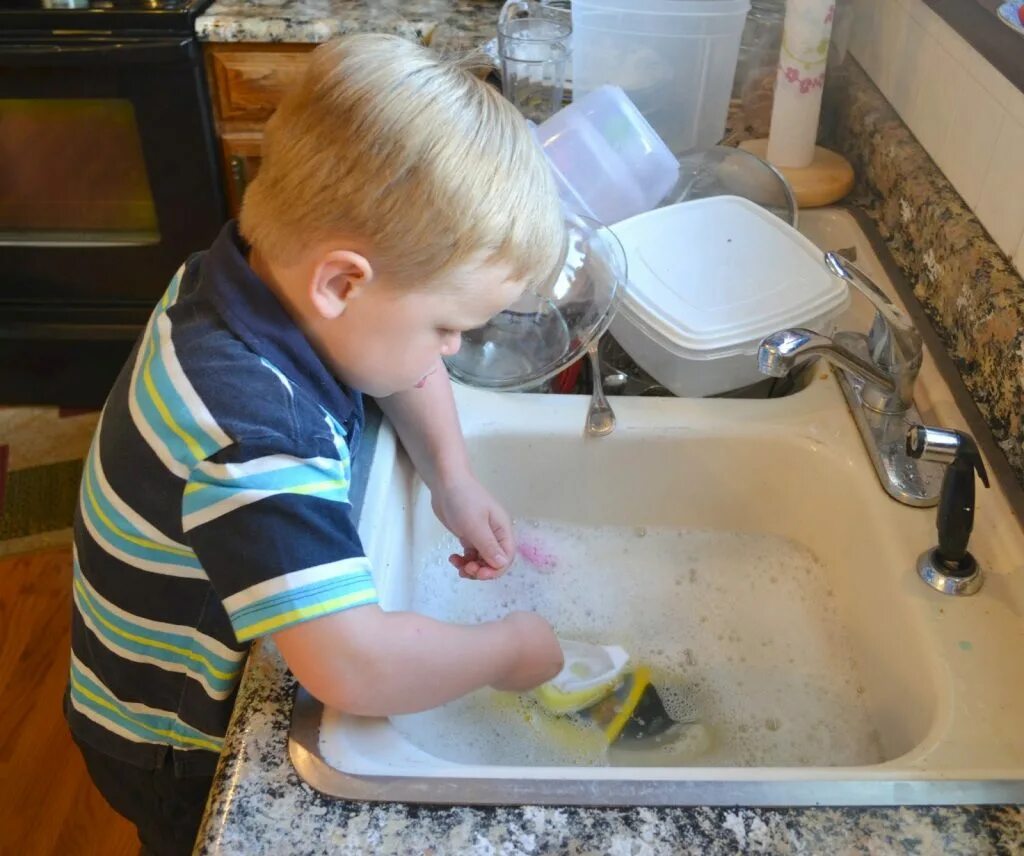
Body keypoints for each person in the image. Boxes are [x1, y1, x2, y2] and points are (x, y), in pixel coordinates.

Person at [66, 33, 566, 855]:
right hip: (170, 738)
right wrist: (505, 652)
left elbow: (391, 359)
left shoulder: (244, 274)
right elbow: (356, 667)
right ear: (341, 283)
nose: (448, 352)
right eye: (446, 327)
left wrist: (451, 475)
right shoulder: (256, 435)